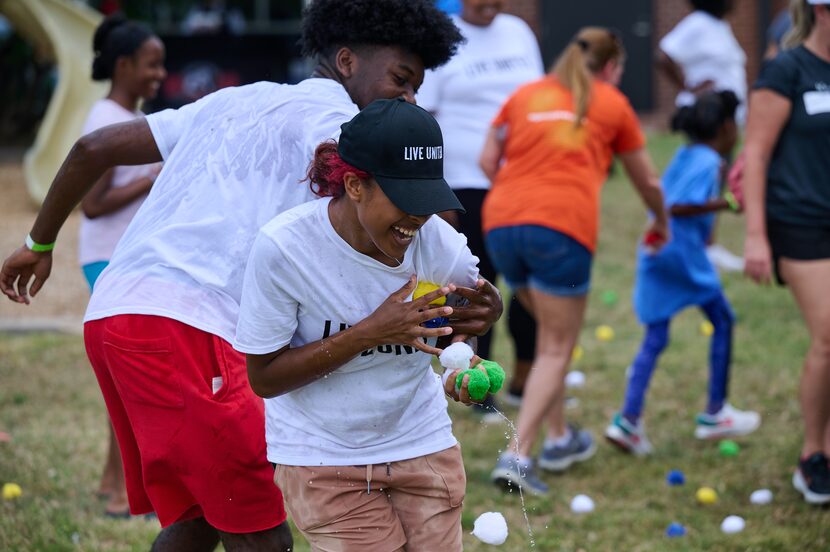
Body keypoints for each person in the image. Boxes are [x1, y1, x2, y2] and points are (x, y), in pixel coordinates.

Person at [0, 2, 504, 549]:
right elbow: (379, 233)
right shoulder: (342, 129)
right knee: (264, 535)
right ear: (346, 60)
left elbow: (94, 148)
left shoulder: (238, 98)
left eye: (416, 90)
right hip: (191, 325)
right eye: (401, 81)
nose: (409, 99)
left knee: (201, 519)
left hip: (116, 313)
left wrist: (38, 244)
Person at [237, 98, 487, 552]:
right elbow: (264, 377)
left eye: (428, 200)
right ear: (355, 184)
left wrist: (466, 349)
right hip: (323, 460)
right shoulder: (284, 249)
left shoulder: (436, 242)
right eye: (406, 201)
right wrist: (370, 332)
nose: (419, 218)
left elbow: (467, 313)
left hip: (422, 445)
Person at [481, 28, 669, 495]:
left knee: (549, 338)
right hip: (560, 228)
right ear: (610, 68)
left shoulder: (525, 94)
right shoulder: (610, 101)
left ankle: (561, 438)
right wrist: (661, 221)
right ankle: (517, 456)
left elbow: (488, 159)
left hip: (501, 223)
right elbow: (646, 179)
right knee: (555, 347)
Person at [604, 91, 760, 456]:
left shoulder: (687, 154)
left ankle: (628, 421)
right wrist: (728, 203)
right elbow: (677, 206)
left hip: (656, 249)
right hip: (680, 255)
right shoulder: (708, 161)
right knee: (722, 320)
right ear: (725, 127)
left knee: (656, 336)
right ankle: (715, 413)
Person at [417, 0, 543, 417]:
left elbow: (538, 103)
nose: (489, 3)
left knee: (528, 287)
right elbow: (425, 117)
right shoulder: (441, 38)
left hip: (524, 182)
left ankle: (526, 380)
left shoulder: (519, 31)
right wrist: (438, 194)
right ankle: (478, 385)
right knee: (476, 286)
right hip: (466, 185)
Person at [742, 0, 830, 505]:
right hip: (802, 225)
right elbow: (755, 152)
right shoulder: (788, 68)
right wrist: (756, 235)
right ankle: (813, 455)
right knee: (827, 337)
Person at [78, 14, 165, 518]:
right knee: (129, 378)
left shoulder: (126, 114)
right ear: (124, 64)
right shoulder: (105, 119)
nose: (158, 75)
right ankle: (120, 492)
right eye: (152, 66)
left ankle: (114, 483)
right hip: (107, 258)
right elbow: (92, 204)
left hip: (122, 256)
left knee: (125, 377)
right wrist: (154, 177)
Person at [657, 0, 746, 273]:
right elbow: (663, 55)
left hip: (726, 124)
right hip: (710, 123)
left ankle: (707, 243)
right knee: (707, 180)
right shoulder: (697, 24)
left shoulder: (720, 26)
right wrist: (687, 87)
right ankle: (704, 245)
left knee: (716, 179)